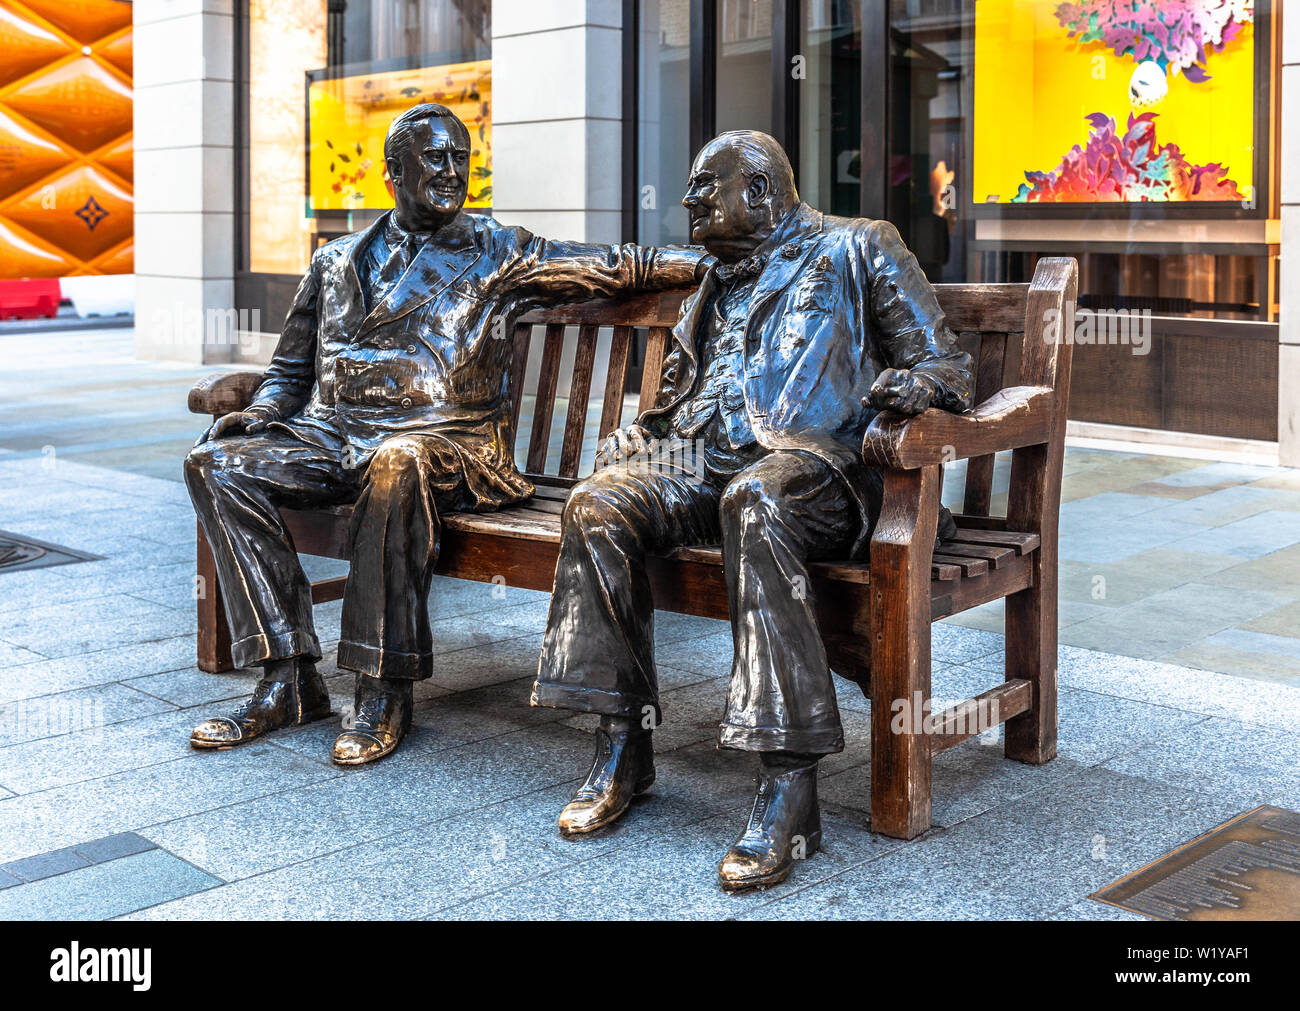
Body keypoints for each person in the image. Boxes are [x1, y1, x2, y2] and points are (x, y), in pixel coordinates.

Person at [185, 104, 707, 766]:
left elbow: (615, 265)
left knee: (398, 460)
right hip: (335, 436)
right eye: (436, 157)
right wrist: (262, 415)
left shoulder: (496, 249)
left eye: (461, 158)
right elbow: (290, 370)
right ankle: (287, 677)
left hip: (450, 448)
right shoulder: (335, 260)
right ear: (393, 171)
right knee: (217, 463)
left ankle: (381, 688)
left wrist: (719, 260)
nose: (452, 171)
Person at [530, 130, 973, 890]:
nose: (689, 201)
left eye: (705, 188)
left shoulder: (859, 246)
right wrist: (647, 435)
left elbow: (947, 363)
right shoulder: (713, 274)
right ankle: (622, 742)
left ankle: (788, 781)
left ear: (760, 191)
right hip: (700, 460)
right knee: (598, 503)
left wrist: (917, 387)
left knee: (756, 497)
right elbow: (687, 396)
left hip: (817, 469)